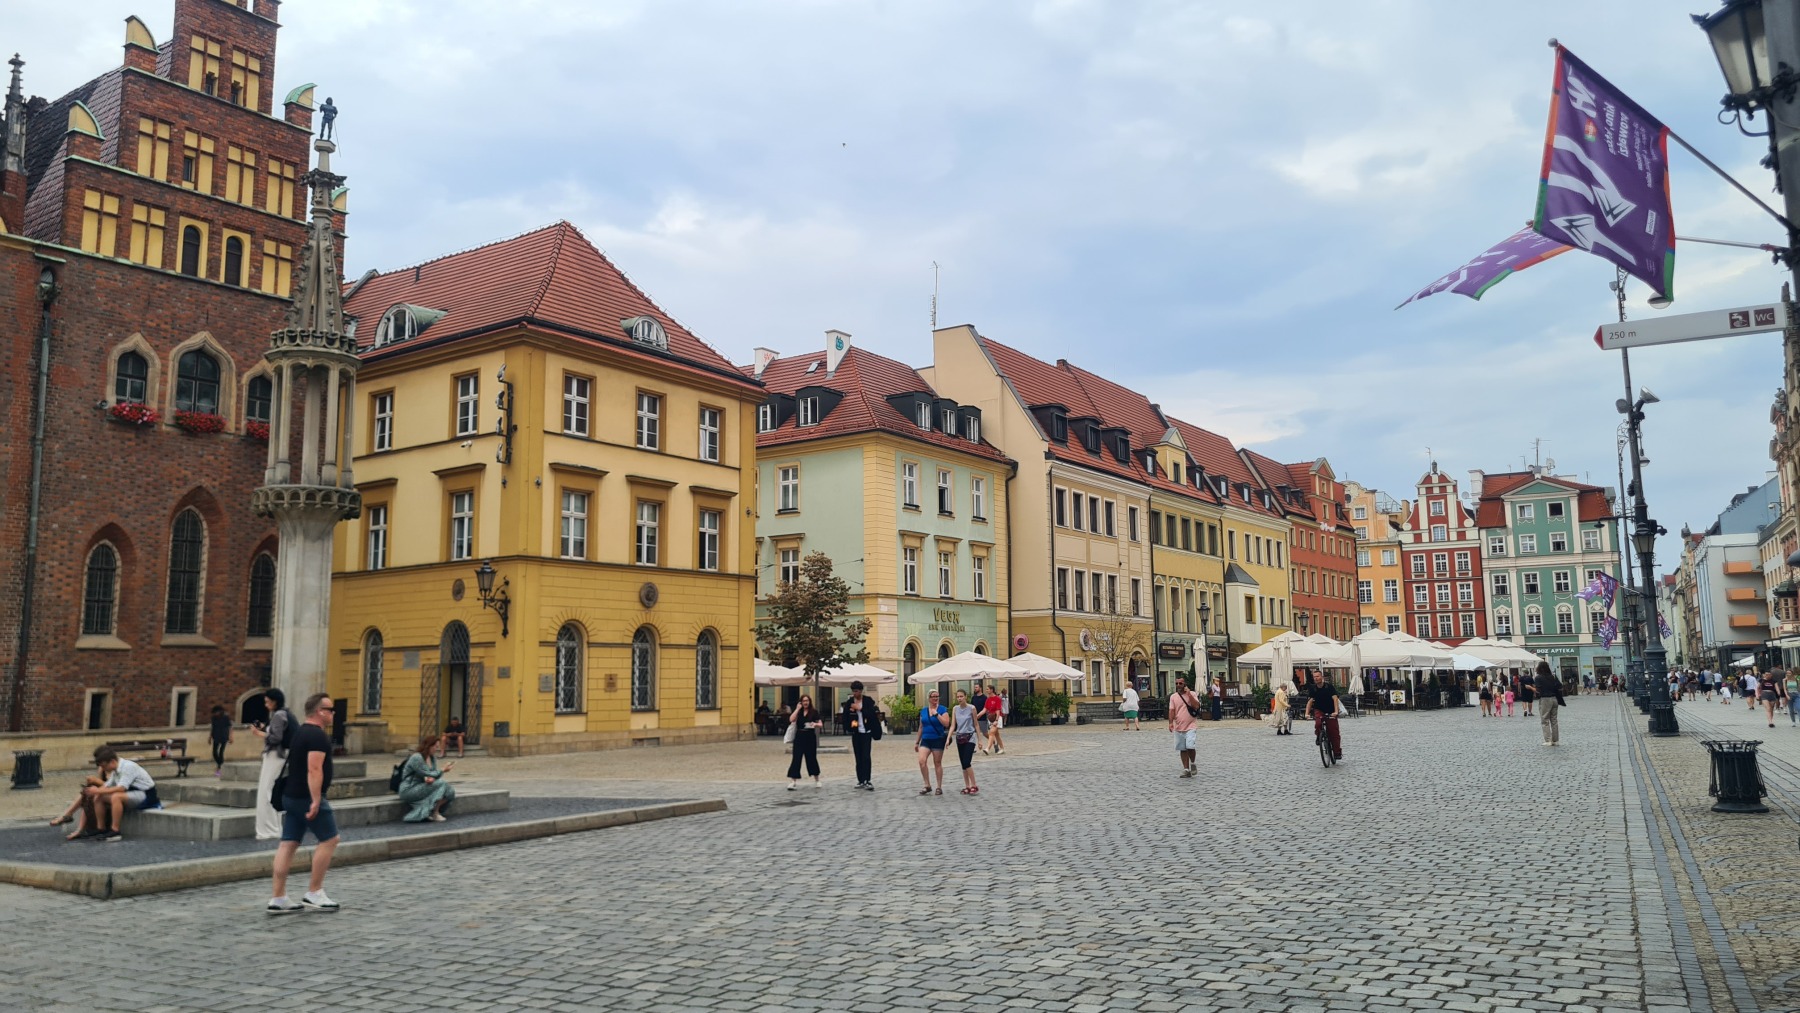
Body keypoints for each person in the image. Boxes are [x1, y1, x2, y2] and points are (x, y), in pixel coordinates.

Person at [268, 692, 341, 914]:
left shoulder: (300, 732)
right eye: (330, 710)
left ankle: (278, 897)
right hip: (306, 797)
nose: (333, 713)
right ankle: (314, 891)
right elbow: (314, 769)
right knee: (330, 839)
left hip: (290, 795)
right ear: (320, 712)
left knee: (288, 843)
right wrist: (316, 800)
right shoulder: (317, 736)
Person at [76, 746, 160, 842]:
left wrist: (98, 791)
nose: (103, 769)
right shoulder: (116, 770)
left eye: (104, 766)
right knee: (99, 797)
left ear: (112, 761)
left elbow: (121, 788)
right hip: (132, 793)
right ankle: (101, 829)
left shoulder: (128, 767)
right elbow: (107, 785)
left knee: (116, 797)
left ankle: (115, 831)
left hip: (146, 795)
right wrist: (93, 791)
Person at [252, 688, 293, 841]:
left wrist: (260, 733)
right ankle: (273, 827)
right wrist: (265, 728)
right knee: (271, 790)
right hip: (281, 756)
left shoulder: (278, 715)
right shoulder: (285, 713)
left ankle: (267, 829)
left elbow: (276, 738)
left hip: (275, 755)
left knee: (266, 792)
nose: (266, 704)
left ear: (274, 701)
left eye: (268, 701)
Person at [397, 735, 457, 822]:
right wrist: (443, 770)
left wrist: (430, 779)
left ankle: (428, 809)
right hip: (409, 789)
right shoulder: (416, 757)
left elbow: (430, 775)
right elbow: (426, 773)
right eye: (435, 746)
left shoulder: (432, 758)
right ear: (428, 745)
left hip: (422, 785)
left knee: (450, 791)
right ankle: (435, 813)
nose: (437, 749)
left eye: (438, 746)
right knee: (442, 783)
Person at [841, 681, 879, 791]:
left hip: (866, 732)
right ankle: (860, 780)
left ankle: (867, 780)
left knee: (866, 756)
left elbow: (871, 715)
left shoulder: (868, 701)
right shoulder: (849, 702)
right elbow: (845, 717)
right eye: (853, 691)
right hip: (856, 733)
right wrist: (849, 726)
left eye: (857, 691)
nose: (855, 693)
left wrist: (860, 709)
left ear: (861, 691)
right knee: (858, 757)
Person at [915, 689, 950, 794]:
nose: (935, 698)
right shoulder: (923, 711)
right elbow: (921, 727)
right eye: (933, 696)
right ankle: (927, 784)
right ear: (929, 698)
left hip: (937, 739)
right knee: (922, 761)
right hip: (926, 739)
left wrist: (937, 715)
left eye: (937, 696)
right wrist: (917, 742)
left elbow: (946, 724)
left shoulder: (942, 709)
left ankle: (939, 786)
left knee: (937, 762)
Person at [785, 695, 823, 790]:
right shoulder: (799, 712)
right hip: (799, 737)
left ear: (810, 702)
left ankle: (817, 779)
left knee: (811, 758)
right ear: (801, 702)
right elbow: (791, 719)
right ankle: (793, 781)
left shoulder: (814, 712)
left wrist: (815, 724)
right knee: (796, 758)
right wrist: (797, 709)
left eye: (807, 701)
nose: (805, 702)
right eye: (804, 701)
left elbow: (820, 724)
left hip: (810, 737)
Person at [1303, 671, 1343, 761]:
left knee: (1334, 732)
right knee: (1318, 722)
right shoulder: (1313, 689)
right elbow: (1310, 702)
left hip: (1330, 710)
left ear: (1322, 677)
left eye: (1317, 676)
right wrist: (1307, 713)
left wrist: (1336, 712)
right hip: (1319, 709)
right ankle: (1319, 736)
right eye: (1314, 677)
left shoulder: (1329, 687)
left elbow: (1335, 699)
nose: (1316, 678)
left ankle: (1337, 752)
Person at [1168, 677, 1202, 777]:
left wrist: (1189, 694)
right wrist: (1170, 723)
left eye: (1180, 683)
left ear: (1184, 684)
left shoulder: (1192, 694)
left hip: (1191, 725)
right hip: (1179, 726)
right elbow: (1171, 710)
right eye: (1177, 683)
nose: (1178, 685)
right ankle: (1186, 769)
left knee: (1190, 746)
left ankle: (1193, 763)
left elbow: (1196, 706)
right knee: (1182, 748)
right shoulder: (1173, 697)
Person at [950, 689, 981, 795]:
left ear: (965, 697)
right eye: (958, 697)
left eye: (961, 696)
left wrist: (980, 740)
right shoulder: (955, 709)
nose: (959, 698)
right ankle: (967, 786)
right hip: (959, 737)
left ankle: (974, 785)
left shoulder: (972, 708)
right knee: (963, 763)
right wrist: (948, 738)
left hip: (970, 737)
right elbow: (953, 725)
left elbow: (976, 724)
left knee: (967, 762)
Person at [208, 704, 234, 775]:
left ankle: (219, 767)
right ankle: (220, 763)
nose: (216, 714)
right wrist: (210, 737)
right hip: (216, 735)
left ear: (220, 712)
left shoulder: (225, 717)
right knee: (214, 752)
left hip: (223, 736)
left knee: (221, 752)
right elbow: (212, 727)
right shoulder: (214, 718)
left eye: (216, 712)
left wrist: (231, 737)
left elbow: (230, 727)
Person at [984, 684, 1005, 754]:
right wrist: (977, 715)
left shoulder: (997, 698)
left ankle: (988, 748)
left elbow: (998, 710)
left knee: (991, 732)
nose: (986, 690)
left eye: (987, 689)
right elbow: (985, 709)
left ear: (991, 690)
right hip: (991, 718)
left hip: (997, 717)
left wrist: (996, 720)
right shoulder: (988, 699)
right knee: (996, 734)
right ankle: (1002, 748)